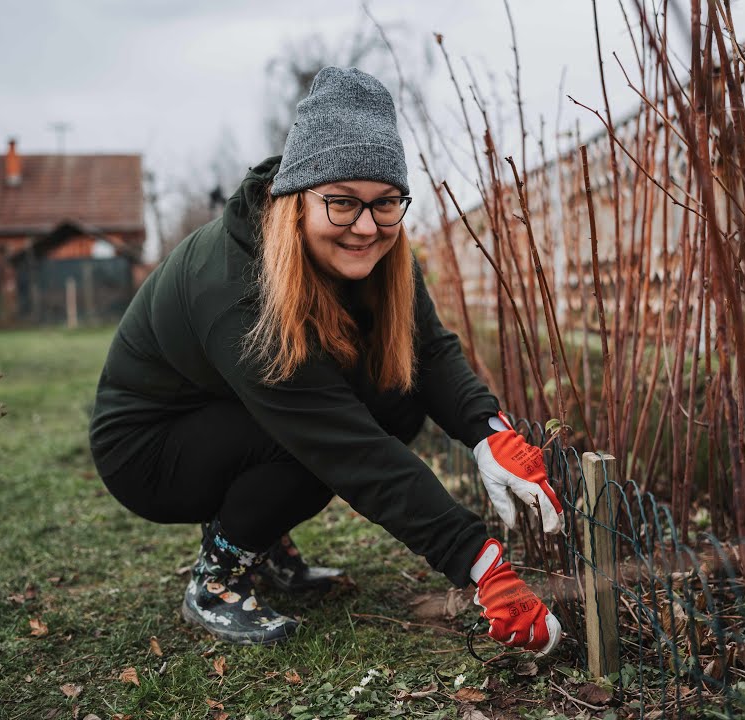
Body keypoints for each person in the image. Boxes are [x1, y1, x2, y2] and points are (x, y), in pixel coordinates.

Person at [88, 66, 564, 654]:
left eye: (386, 203)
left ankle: (265, 545)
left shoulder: (378, 247)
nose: (366, 227)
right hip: (149, 448)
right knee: (316, 435)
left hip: (224, 411)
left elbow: (428, 348)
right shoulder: (238, 286)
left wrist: (489, 433)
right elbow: (346, 445)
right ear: (298, 198)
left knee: (395, 398)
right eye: (341, 203)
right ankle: (218, 579)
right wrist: (482, 565)